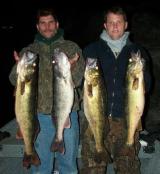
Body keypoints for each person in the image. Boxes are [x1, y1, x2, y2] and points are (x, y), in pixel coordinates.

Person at [9, 7, 85, 174]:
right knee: (41, 167)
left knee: (68, 165)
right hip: (38, 115)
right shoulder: (29, 51)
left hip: (67, 113)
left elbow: (79, 79)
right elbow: (14, 79)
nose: (47, 27)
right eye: (43, 23)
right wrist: (18, 68)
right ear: (37, 27)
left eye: (50, 22)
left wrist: (70, 70)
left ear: (57, 24)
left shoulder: (71, 48)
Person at [80, 6, 151, 174]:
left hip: (126, 118)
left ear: (126, 24)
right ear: (105, 25)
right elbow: (80, 82)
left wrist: (141, 74)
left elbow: (147, 86)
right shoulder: (91, 50)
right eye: (111, 22)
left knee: (127, 168)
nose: (115, 26)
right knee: (92, 168)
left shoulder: (138, 52)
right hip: (95, 117)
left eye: (119, 22)